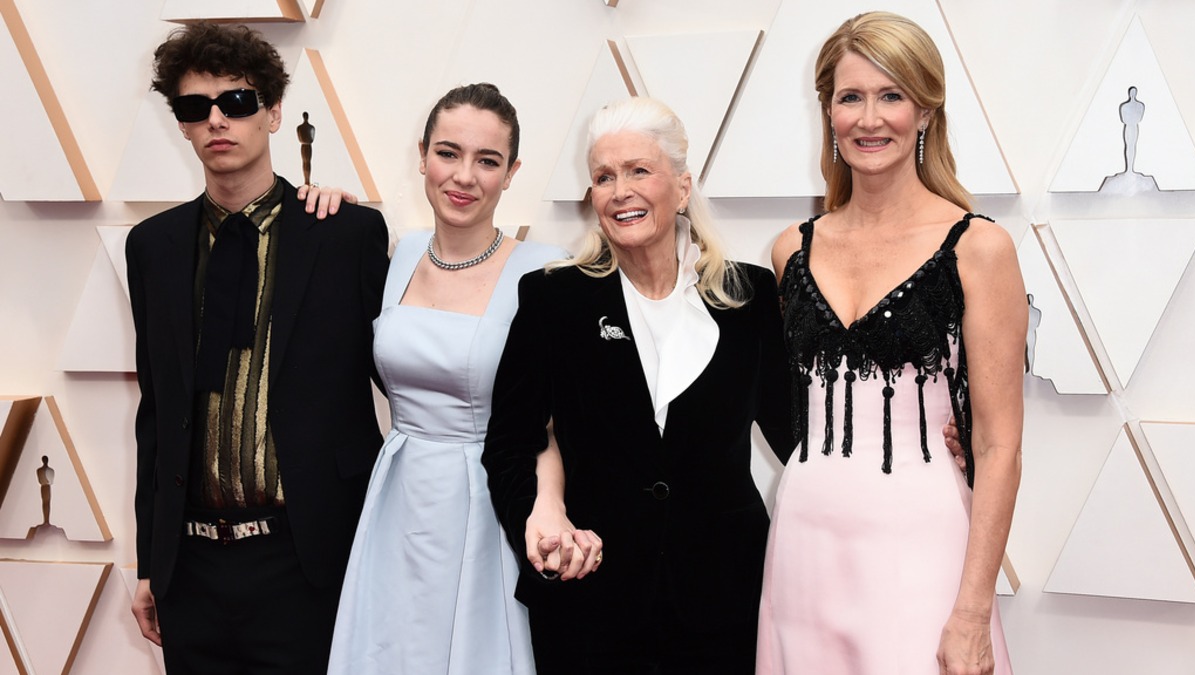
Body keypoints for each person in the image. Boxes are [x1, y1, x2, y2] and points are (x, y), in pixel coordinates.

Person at [482, 96, 795, 675]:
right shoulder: (554, 299)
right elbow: (509, 442)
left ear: (682, 187)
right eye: (604, 177)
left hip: (725, 602)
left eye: (638, 171)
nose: (620, 191)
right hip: (589, 604)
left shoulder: (749, 299)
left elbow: (799, 437)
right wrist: (542, 520)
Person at [757, 11, 1024, 675]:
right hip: (803, 548)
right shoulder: (791, 249)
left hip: (923, 548)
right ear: (828, 111)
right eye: (851, 97)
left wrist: (972, 611)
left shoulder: (979, 248)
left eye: (892, 95)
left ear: (926, 110)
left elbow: (999, 446)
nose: (870, 119)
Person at [126, 22, 388, 674]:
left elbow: (401, 378)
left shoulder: (345, 235)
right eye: (196, 107)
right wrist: (150, 562)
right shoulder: (153, 247)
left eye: (237, 102)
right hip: (190, 568)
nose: (217, 120)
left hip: (306, 558)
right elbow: (156, 414)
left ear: (273, 113)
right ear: (182, 125)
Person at [327, 83, 582, 675]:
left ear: (511, 173)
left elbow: (551, 423)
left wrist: (548, 506)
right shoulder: (398, 255)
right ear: (422, 157)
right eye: (448, 153)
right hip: (397, 496)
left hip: (488, 498)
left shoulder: (545, 272)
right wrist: (322, 202)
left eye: (487, 161)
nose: (464, 176)